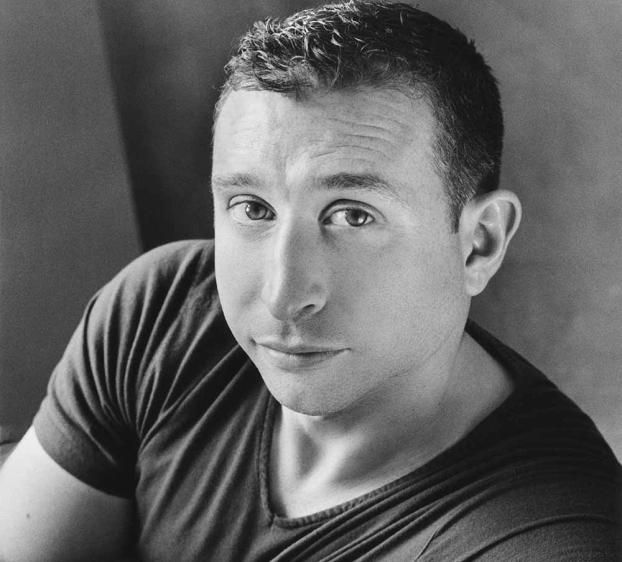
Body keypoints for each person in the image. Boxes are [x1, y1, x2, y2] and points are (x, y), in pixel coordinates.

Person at [0, 1, 619, 560]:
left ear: (479, 243)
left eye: (352, 215)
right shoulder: (163, 313)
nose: (283, 295)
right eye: (253, 208)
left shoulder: (545, 539)